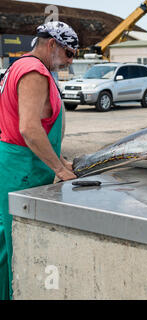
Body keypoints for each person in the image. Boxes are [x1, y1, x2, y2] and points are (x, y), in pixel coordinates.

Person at [0, 21, 79, 300]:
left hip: (20, 163)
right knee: (16, 242)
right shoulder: (34, 72)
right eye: (69, 53)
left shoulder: (20, 66)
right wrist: (58, 168)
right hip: (22, 168)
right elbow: (29, 129)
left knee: (6, 238)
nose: (71, 61)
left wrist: (59, 159)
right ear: (51, 44)